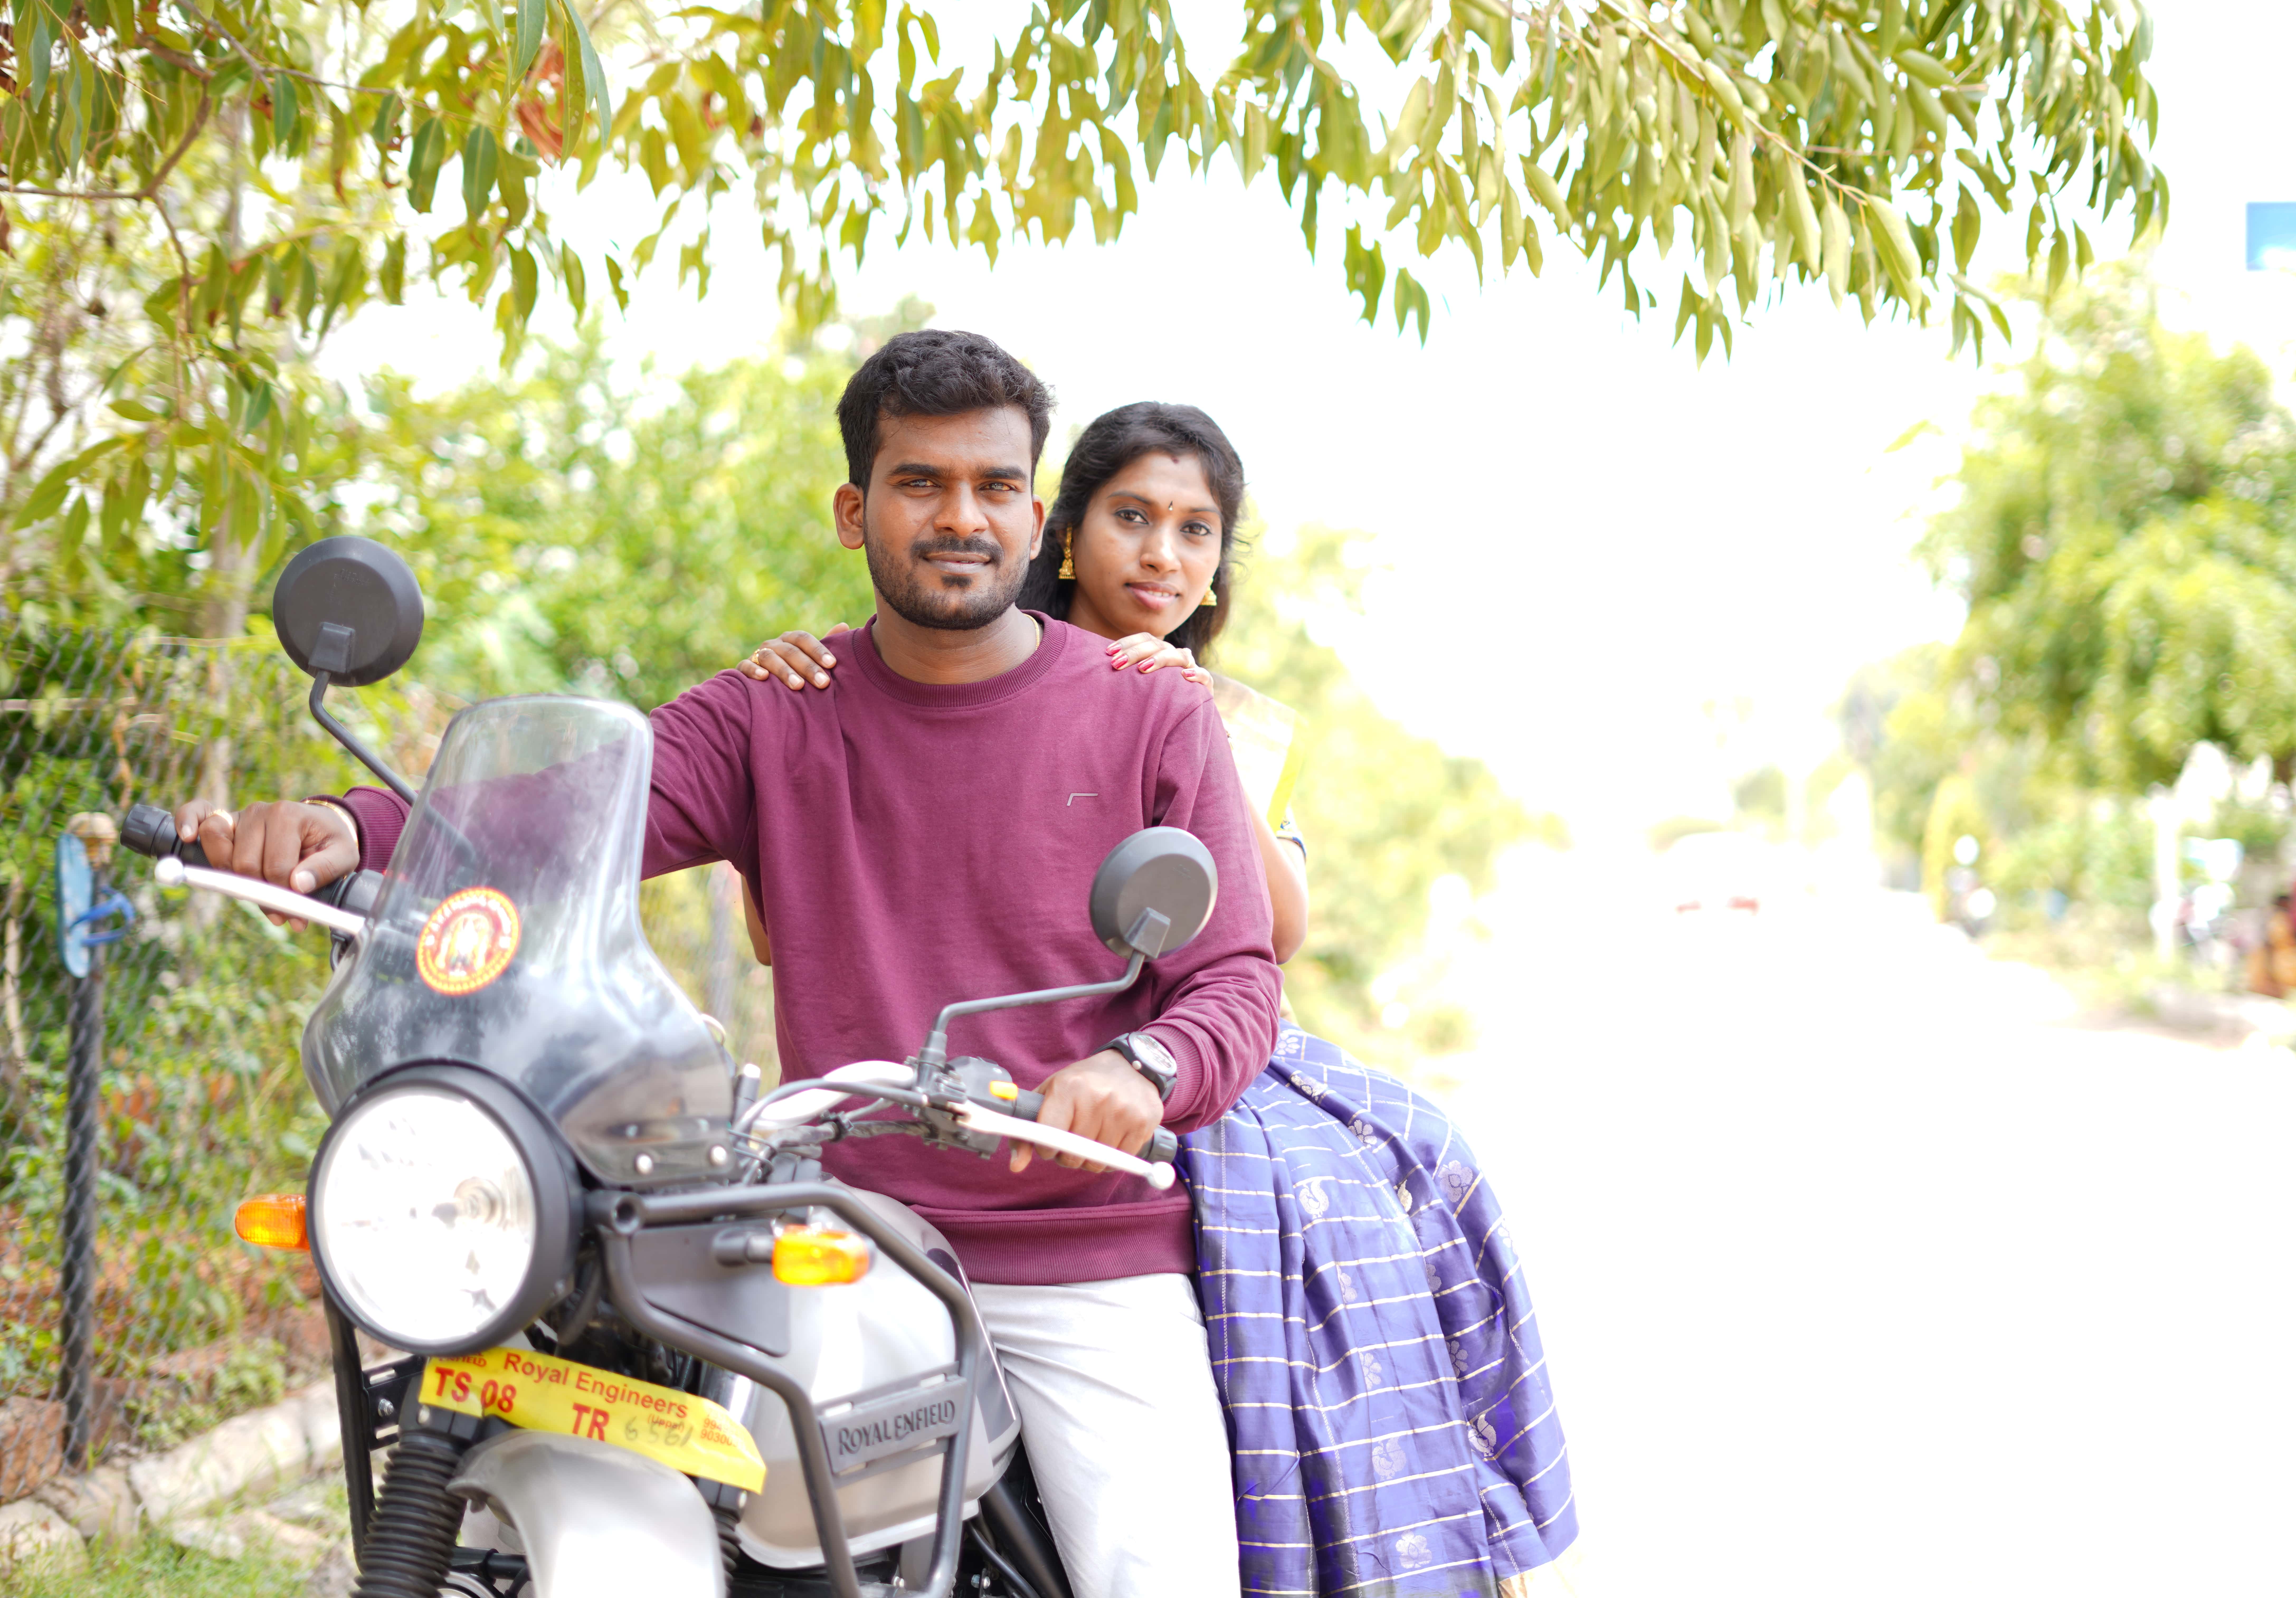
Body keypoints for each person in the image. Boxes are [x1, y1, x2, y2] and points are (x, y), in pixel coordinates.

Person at [177, 332, 1273, 1598]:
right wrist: (347, 831)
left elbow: (1237, 981)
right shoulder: (775, 710)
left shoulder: (1151, 708)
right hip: (835, 1229)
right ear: (856, 512)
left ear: (1037, 518)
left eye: (995, 487)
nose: (961, 518)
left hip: (1076, 1252)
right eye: (920, 484)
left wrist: (1143, 1068)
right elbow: (555, 813)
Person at [736, 401, 1578, 1596]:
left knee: (1406, 1177)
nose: (1163, 556)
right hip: (949, 1106)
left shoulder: (1214, 712)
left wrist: (1200, 729)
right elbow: (791, 917)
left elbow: (1273, 934)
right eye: (1132, 519)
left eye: (1196, 532)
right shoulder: (930, 666)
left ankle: (1412, 1528)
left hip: (1178, 1057)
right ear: (1065, 533)